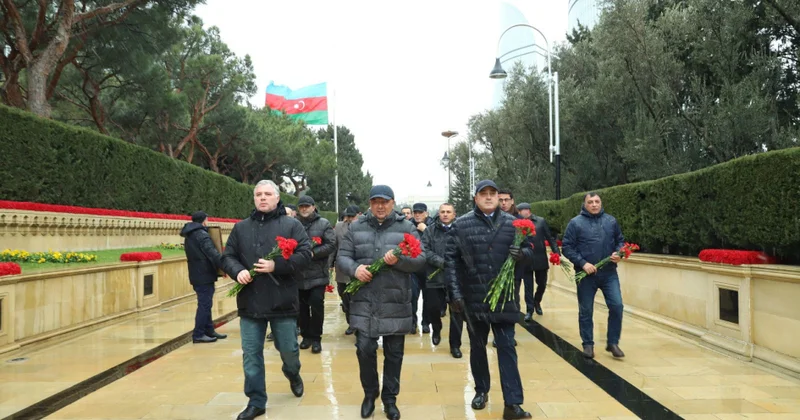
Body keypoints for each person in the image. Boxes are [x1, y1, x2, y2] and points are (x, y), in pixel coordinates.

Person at [221, 180, 313, 420]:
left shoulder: (292, 225)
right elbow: (228, 256)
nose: (262, 198)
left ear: (277, 198)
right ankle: (256, 401)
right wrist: (236, 270)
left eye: (267, 194)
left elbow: (305, 255)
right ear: (254, 199)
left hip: (282, 301)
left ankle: (293, 373)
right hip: (250, 302)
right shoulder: (241, 228)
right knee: (251, 354)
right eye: (258, 194)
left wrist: (277, 265)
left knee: (289, 350)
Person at [446, 179, 534, 420]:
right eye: (483, 194)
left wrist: (522, 254)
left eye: (492, 194)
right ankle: (481, 390)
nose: (488, 197)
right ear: (475, 198)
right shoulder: (461, 224)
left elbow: (529, 250)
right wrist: (454, 294)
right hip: (474, 297)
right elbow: (451, 260)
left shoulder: (513, 224)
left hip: (504, 297)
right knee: (477, 347)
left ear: (499, 197)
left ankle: (513, 403)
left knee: (507, 347)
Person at [336, 185, 426, 420]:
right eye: (376, 201)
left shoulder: (406, 227)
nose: (380, 205)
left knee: (394, 353)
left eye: (385, 201)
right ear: (370, 202)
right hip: (364, 300)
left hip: (395, 300)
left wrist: (399, 260)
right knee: (364, 349)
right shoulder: (356, 227)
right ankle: (369, 393)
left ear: (392, 203)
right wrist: (355, 269)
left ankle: (390, 399)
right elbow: (342, 257)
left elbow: (420, 259)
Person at [562, 192, 626, 359]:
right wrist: (583, 263)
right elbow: (567, 247)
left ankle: (613, 342)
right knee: (586, 310)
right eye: (590, 202)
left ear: (601, 203)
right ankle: (588, 344)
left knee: (617, 305)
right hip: (586, 275)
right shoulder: (575, 223)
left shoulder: (611, 221)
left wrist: (620, 253)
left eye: (597, 201)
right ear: (585, 204)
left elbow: (621, 241)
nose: (594, 204)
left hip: (609, 273)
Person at [295, 196, 337, 354]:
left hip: (317, 274)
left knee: (316, 305)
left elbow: (331, 244)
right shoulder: (294, 223)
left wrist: (313, 253)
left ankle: (316, 338)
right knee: (301, 308)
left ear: (314, 207)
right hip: (299, 274)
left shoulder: (323, 223)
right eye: (302, 206)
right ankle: (306, 336)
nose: (304, 209)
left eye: (307, 206)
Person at [180, 211, 225, 344]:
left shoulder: (190, 234)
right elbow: (212, 253)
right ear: (204, 221)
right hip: (204, 274)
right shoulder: (202, 235)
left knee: (206, 303)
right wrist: (225, 266)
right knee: (204, 304)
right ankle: (199, 334)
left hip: (197, 273)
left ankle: (209, 330)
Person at [421, 203, 457, 351]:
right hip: (434, 277)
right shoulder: (430, 231)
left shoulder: (460, 229)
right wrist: (441, 263)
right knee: (433, 308)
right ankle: (436, 328)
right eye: (442, 212)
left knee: (456, 312)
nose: (445, 214)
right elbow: (425, 250)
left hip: (455, 278)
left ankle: (455, 344)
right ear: (438, 214)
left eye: (449, 212)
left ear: (454, 214)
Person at [516, 203, 560, 320]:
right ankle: (529, 310)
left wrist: (556, 251)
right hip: (525, 259)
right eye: (520, 211)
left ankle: (537, 301)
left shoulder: (541, 221)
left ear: (529, 210)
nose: (522, 212)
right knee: (528, 286)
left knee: (542, 283)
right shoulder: (517, 223)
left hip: (540, 258)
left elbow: (550, 237)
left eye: (524, 210)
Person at [330, 205, 361, 335]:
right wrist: (330, 264)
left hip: (359, 268)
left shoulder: (364, 226)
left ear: (359, 215)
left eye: (352, 216)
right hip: (342, 268)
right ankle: (351, 323)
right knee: (345, 297)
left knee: (357, 299)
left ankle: (358, 325)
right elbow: (334, 246)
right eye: (347, 216)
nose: (349, 219)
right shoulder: (338, 227)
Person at [411, 202, 433, 334]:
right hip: (413, 268)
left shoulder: (432, 226)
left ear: (426, 213)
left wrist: (426, 230)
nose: (418, 215)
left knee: (428, 298)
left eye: (420, 212)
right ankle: (412, 322)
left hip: (429, 269)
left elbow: (437, 242)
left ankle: (426, 323)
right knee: (412, 297)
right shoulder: (408, 226)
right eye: (416, 213)